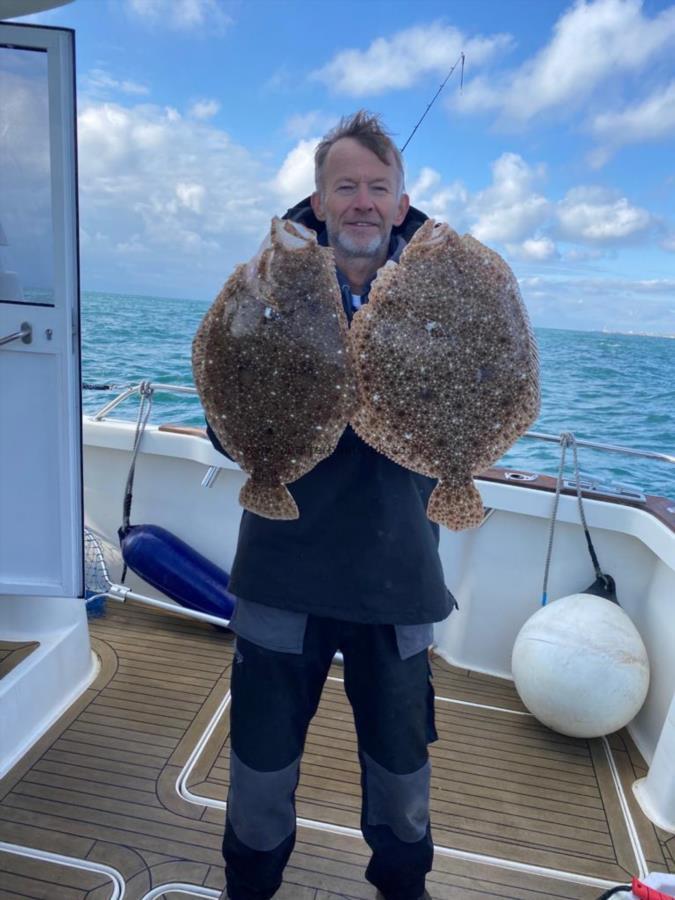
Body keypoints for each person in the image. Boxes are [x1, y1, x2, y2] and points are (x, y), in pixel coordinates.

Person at [207, 110, 456, 900]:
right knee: (259, 767)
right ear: (317, 200)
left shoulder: (444, 296)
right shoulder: (264, 286)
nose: (362, 201)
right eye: (344, 185)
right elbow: (223, 413)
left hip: (398, 576)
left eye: (377, 187)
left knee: (400, 775)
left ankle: (401, 888)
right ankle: (249, 887)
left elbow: (487, 399)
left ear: (400, 198)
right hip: (282, 567)